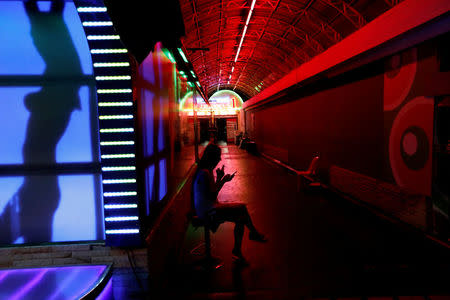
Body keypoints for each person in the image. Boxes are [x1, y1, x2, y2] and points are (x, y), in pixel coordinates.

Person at [192, 143, 267, 263]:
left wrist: (220, 179)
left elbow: (211, 193)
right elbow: (212, 196)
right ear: (212, 157)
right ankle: (250, 237)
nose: (219, 160)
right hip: (208, 212)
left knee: (241, 215)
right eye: (218, 157)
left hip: (205, 208)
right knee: (241, 210)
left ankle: (244, 243)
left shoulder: (204, 170)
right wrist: (222, 180)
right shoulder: (205, 173)